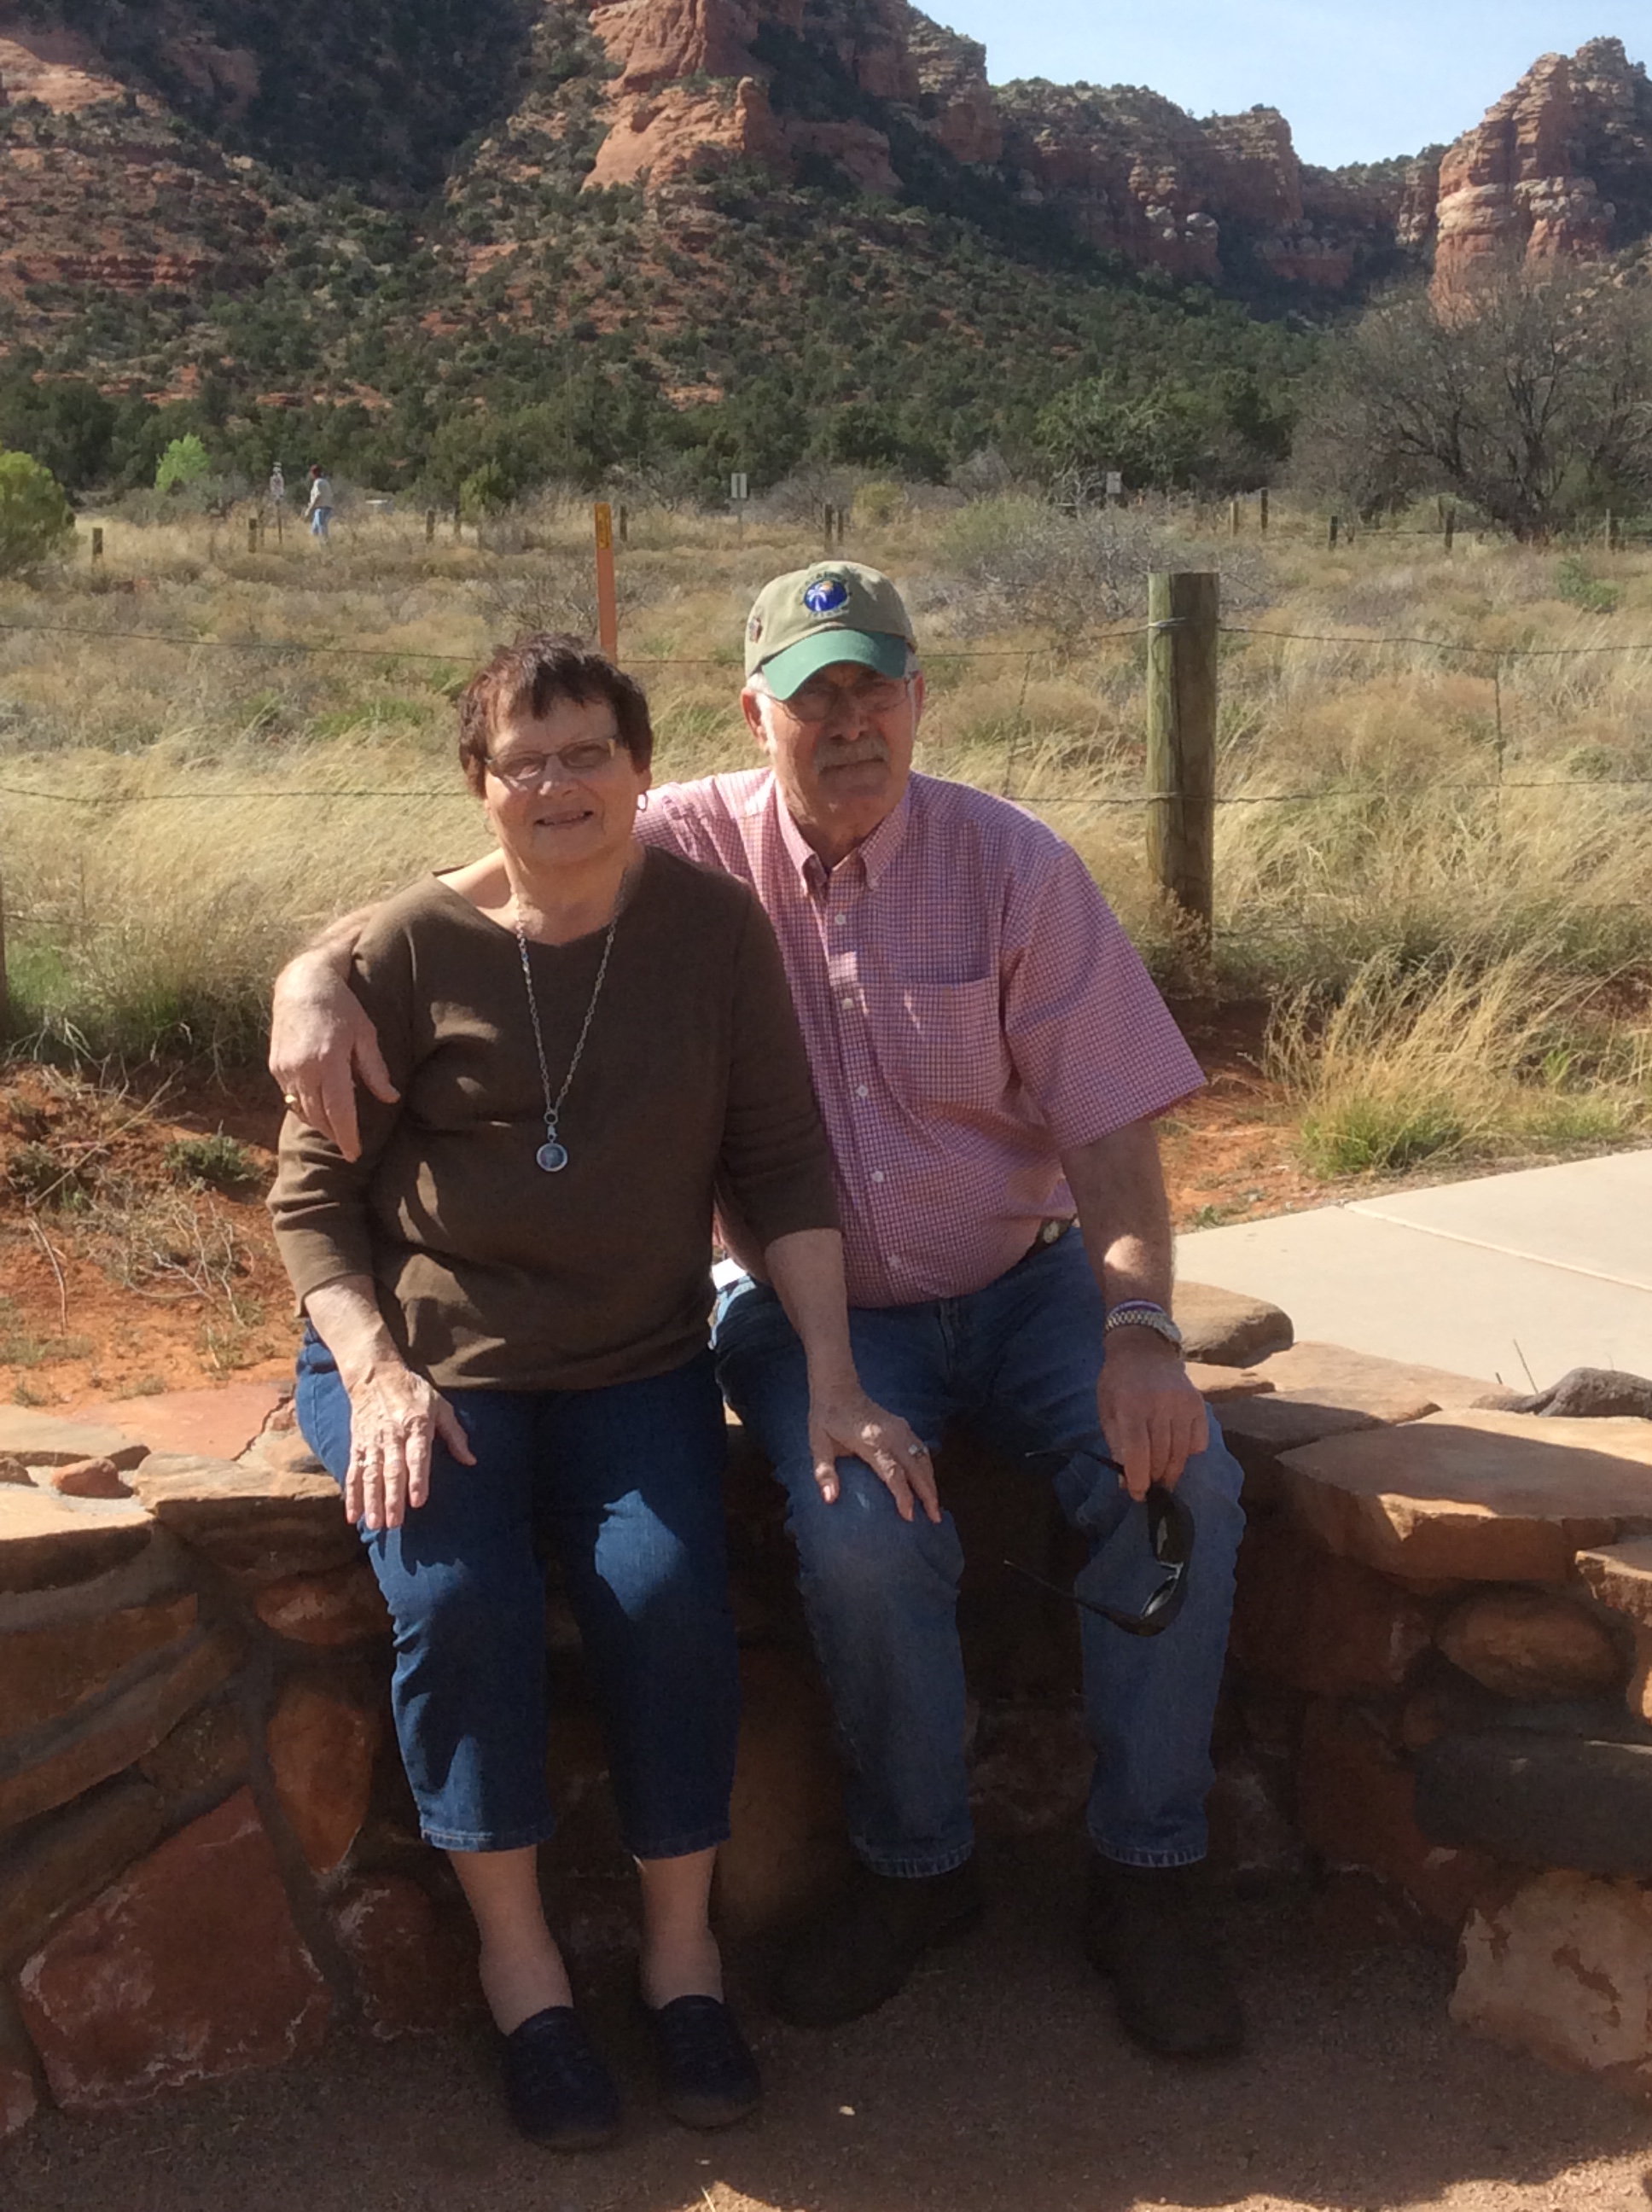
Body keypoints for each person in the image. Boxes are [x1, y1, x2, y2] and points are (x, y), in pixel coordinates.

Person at [270, 563, 1249, 2063]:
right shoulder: (677, 834)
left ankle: (1150, 1872)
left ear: (918, 698)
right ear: (753, 714)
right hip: (813, 1311)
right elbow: (489, 875)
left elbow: (1111, 1136)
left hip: (1026, 1282)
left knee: (1183, 1482)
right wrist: (312, 970)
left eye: (874, 690)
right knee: (862, 1535)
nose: (848, 724)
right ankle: (918, 1867)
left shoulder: (1015, 867)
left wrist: (1141, 1333)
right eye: (812, 697)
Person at [267, 632, 928, 2150]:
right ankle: (525, 1976)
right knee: (459, 1598)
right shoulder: (403, 954)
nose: (557, 784)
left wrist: (833, 1375)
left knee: (668, 1592)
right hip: (424, 1363)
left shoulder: (711, 931)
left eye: (587, 754)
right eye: (525, 761)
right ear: (479, 785)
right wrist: (373, 1370)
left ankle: (682, 1962)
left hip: (631, 1360)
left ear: (642, 771)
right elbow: (311, 1202)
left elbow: (779, 1165)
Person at [305, 463, 332, 540]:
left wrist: (310, 509)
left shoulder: (318, 483)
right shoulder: (325, 482)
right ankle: (317, 544)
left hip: (321, 509)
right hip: (327, 508)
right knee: (315, 530)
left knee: (321, 529)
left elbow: (318, 495)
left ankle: (325, 545)